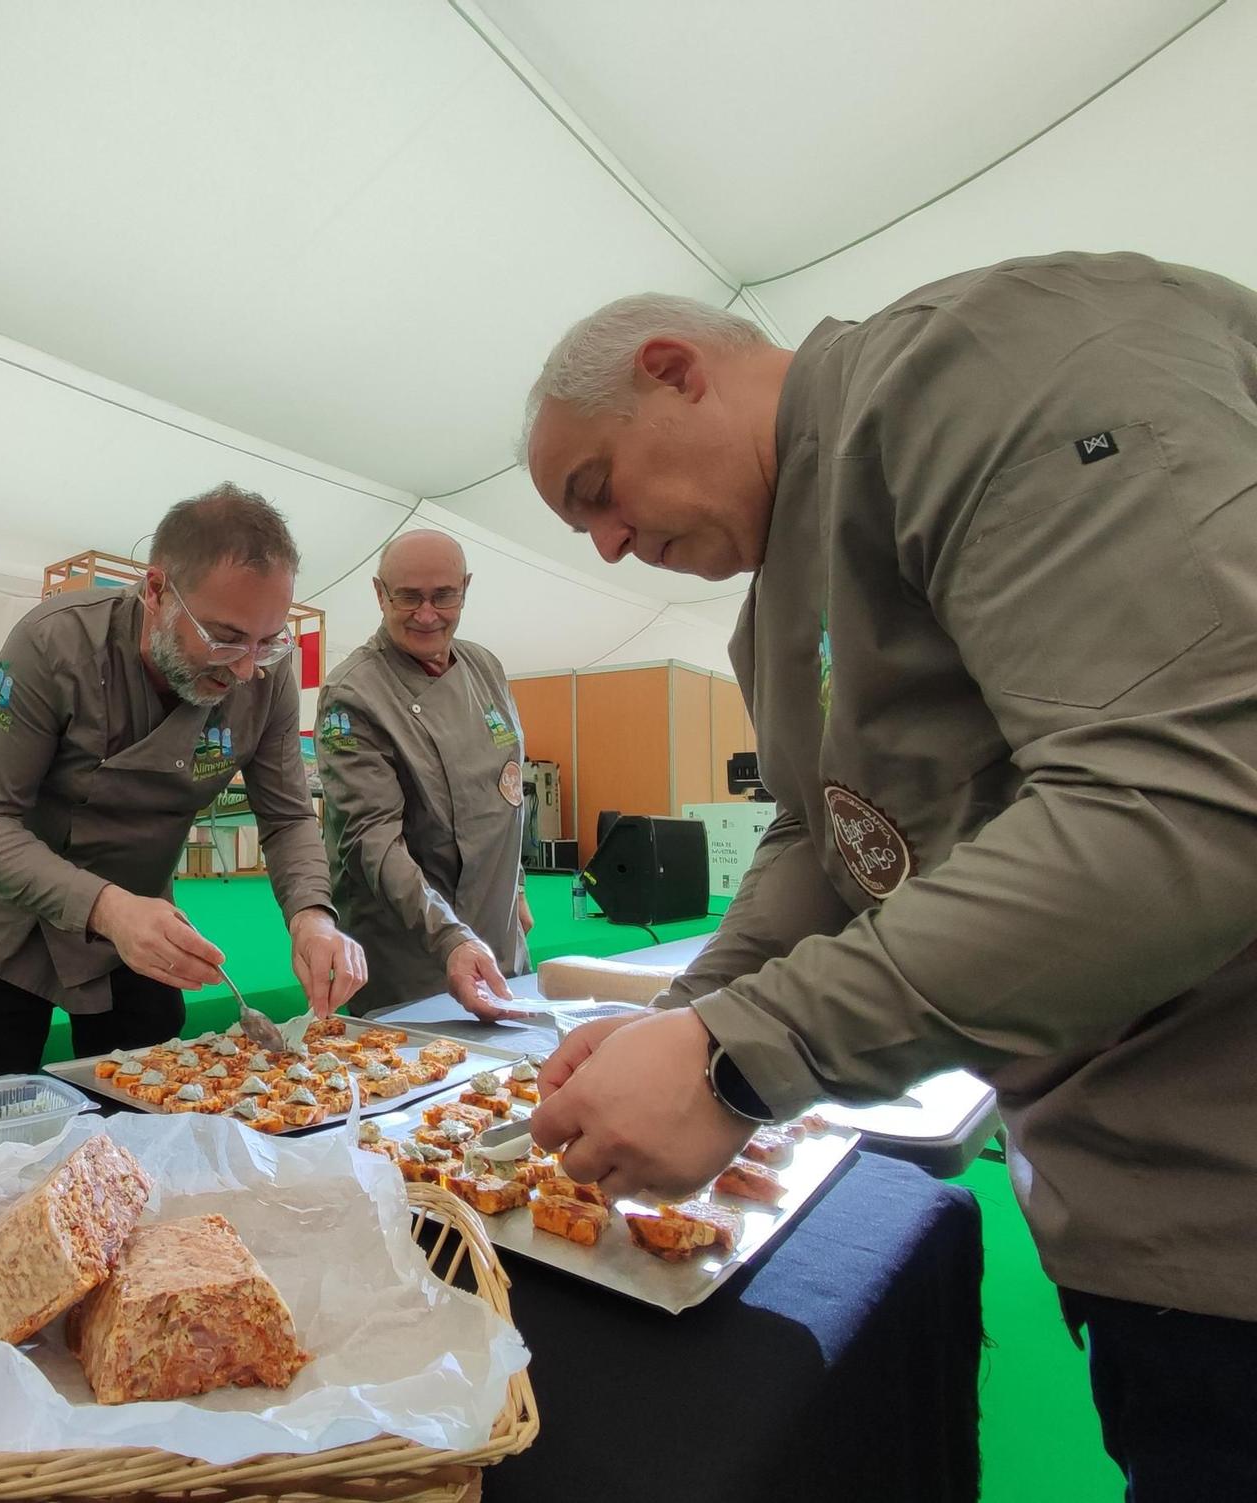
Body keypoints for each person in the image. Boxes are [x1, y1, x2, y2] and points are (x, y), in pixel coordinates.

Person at [518, 254, 1257, 1498]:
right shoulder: (774, 610)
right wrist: (691, 1013)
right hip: (1147, 1227)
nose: (603, 545)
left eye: (594, 489)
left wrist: (739, 1055)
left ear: (673, 371)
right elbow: (824, 838)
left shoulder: (965, 367)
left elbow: (1187, 794)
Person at [0, 484, 368, 1085]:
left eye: (268, 641)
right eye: (224, 636)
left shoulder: (266, 673)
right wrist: (107, 907)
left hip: (146, 936)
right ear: (156, 591)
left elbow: (288, 817)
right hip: (4, 927)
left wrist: (313, 916)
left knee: (150, 1131)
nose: (245, 669)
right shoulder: (55, 643)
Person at [315, 530, 533, 1018]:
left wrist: (514, 887)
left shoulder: (485, 666)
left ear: (465, 588)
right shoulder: (353, 694)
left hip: (496, 931)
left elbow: (507, 788)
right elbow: (371, 840)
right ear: (379, 594)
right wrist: (449, 935)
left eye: (444, 596)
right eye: (409, 597)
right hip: (412, 944)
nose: (428, 614)